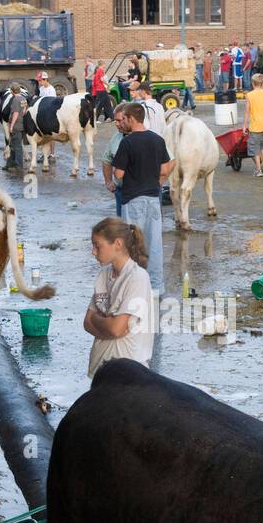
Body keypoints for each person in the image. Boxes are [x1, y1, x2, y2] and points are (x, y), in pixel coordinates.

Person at [111, 102, 174, 293]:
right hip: (153, 199)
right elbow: (164, 169)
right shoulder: (157, 139)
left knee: (132, 246)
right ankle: (156, 286)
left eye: (125, 119)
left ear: (130, 118)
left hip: (132, 200)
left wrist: (115, 172)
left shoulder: (127, 142)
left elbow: (119, 175)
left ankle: (133, 285)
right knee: (154, 244)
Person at [84, 216, 155, 378]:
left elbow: (115, 329)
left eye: (97, 246)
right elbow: (87, 322)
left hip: (129, 373)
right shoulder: (103, 275)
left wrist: (99, 320)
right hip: (100, 370)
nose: (93, 252)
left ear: (117, 244)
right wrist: (107, 324)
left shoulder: (137, 277)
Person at [242, 73, 263, 177]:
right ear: (262, 83)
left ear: (253, 83)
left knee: (255, 147)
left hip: (255, 125)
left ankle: (258, 169)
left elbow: (247, 112)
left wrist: (245, 125)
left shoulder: (249, 95)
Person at [101, 102, 131, 217]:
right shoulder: (116, 137)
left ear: (130, 119)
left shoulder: (149, 136)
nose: (116, 124)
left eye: (119, 121)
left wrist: (159, 182)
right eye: (115, 121)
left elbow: (169, 161)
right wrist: (108, 181)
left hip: (145, 194)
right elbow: (106, 159)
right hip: (121, 192)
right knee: (123, 228)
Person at [4, 83, 29, 173]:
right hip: (22, 125)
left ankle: (18, 166)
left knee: (16, 146)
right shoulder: (23, 99)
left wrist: (11, 126)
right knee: (13, 145)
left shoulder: (15, 99)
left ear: (12, 91)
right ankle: (10, 164)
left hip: (16, 126)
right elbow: (24, 111)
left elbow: (15, 113)